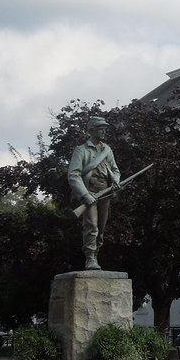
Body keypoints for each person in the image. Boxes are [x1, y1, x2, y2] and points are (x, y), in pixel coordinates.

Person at [67, 115, 121, 270]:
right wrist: (85, 195)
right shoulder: (81, 150)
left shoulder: (107, 150)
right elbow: (73, 174)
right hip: (89, 192)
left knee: (101, 229)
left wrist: (116, 181)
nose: (104, 131)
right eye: (100, 128)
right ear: (91, 130)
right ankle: (90, 257)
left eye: (104, 128)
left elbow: (115, 170)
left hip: (105, 192)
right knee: (91, 226)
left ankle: (96, 253)